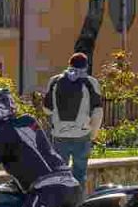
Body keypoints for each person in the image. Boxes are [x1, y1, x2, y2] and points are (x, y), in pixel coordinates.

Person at [43, 52, 104, 188]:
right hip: (82, 135)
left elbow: (47, 109)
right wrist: (93, 134)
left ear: (69, 64)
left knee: (59, 174)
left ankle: (60, 205)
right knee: (79, 175)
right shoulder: (90, 82)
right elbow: (98, 111)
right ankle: (77, 205)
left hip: (59, 135)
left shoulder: (54, 81)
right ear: (86, 66)